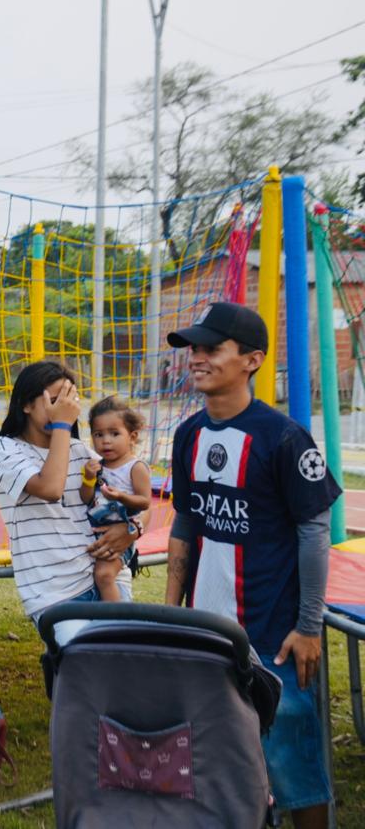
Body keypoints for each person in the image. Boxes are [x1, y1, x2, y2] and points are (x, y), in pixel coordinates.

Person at [164, 302, 337, 828]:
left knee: (292, 760)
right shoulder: (188, 434)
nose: (196, 358)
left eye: (212, 349)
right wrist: (172, 616)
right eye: (194, 348)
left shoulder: (284, 438)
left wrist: (308, 626)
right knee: (219, 751)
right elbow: (186, 524)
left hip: (274, 631)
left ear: (252, 360)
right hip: (208, 627)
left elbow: (314, 533)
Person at [0, 360, 139, 632]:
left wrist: (132, 529)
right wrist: (62, 426)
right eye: (55, 401)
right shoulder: (5, 449)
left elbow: (138, 490)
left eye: (69, 401)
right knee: (81, 665)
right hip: (55, 592)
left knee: (124, 660)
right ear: (26, 404)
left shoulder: (79, 450)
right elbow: (50, 488)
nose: (64, 410)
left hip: (107, 578)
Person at [78, 395, 152, 602]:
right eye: (98, 434)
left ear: (132, 436)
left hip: (121, 535)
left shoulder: (135, 467)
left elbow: (145, 502)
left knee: (104, 575)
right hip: (95, 531)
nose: (106, 441)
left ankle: (116, 620)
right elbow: (85, 498)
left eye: (114, 433)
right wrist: (88, 478)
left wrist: (121, 496)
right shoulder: (97, 465)